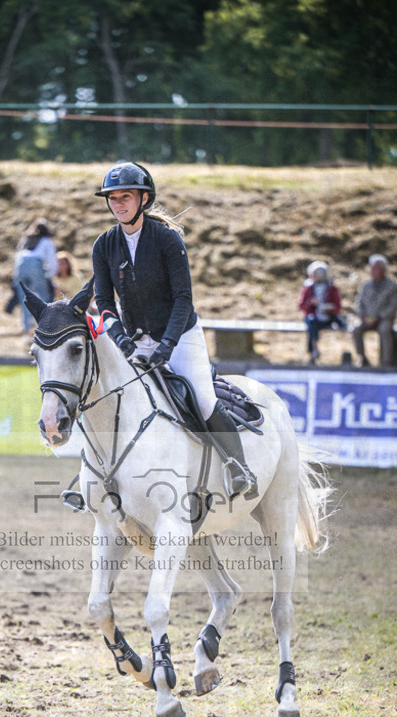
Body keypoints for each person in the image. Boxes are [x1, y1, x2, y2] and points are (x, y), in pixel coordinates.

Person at [92, 161, 257, 499]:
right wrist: (119, 337)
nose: (118, 204)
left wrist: (167, 344)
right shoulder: (103, 245)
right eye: (113, 198)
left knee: (202, 399)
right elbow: (104, 301)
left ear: (144, 198)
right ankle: (100, 476)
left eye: (125, 196)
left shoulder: (167, 239)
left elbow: (184, 298)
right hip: (134, 340)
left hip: (180, 337)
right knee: (114, 400)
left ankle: (239, 468)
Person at [11, 219, 58, 341]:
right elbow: (52, 260)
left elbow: (17, 255)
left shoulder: (26, 239)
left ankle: (27, 332)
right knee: (44, 298)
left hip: (20, 266)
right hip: (36, 265)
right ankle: (45, 328)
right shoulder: (47, 241)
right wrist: (50, 276)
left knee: (25, 299)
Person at [351, 254, 397, 367]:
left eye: (376, 268)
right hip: (367, 318)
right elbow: (359, 303)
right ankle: (362, 358)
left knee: (384, 330)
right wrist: (363, 316)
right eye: (372, 268)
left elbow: (393, 306)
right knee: (356, 329)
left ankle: (387, 361)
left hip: (384, 319)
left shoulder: (392, 286)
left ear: (383, 270)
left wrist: (379, 317)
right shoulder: (365, 286)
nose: (373, 271)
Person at [299, 260, 345, 363]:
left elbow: (338, 306)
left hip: (329, 317)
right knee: (311, 323)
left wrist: (330, 309)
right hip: (314, 318)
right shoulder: (309, 288)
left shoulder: (331, 288)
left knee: (342, 323)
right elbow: (302, 306)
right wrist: (311, 303)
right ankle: (313, 351)